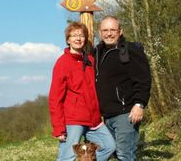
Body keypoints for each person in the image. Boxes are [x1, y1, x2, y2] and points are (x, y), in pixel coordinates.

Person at [49, 22, 116, 161]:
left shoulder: (90, 60)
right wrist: (59, 128)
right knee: (67, 157)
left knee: (109, 146)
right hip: (74, 120)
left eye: (81, 35)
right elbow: (55, 98)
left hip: (93, 119)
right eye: (74, 35)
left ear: (85, 39)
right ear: (68, 40)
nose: (78, 38)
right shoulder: (62, 63)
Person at [95, 15, 152, 161]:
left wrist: (139, 104)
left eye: (113, 30)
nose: (109, 33)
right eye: (105, 30)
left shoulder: (130, 50)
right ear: (100, 32)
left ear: (120, 31)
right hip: (106, 116)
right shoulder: (97, 52)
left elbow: (143, 79)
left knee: (125, 155)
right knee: (112, 153)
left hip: (125, 113)